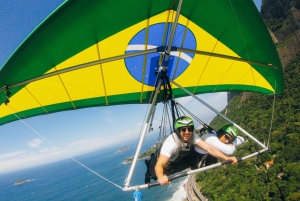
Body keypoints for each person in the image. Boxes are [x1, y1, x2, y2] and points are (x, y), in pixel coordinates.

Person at [151, 116, 237, 185]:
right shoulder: (171, 143)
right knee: (161, 174)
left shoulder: (192, 136)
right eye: (183, 129)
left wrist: (226, 158)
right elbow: (160, 164)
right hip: (165, 163)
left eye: (190, 129)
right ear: (178, 131)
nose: (187, 132)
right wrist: (160, 176)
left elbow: (209, 148)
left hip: (179, 158)